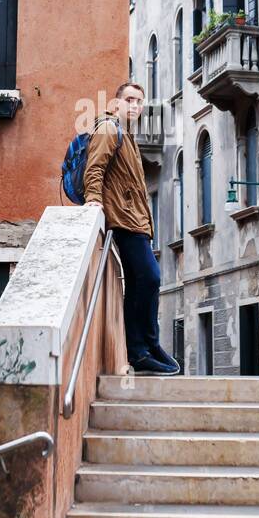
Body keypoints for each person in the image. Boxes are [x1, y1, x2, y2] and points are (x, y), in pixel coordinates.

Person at [83, 82, 179, 375]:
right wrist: (93, 200)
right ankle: (142, 347)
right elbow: (95, 167)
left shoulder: (128, 135)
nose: (135, 106)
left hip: (136, 220)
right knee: (150, 277)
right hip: (123, 219)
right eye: (129, 100)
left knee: (141, 282)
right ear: (116, 103)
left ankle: (144, 347)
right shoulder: (109, 129)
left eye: (139, 101)